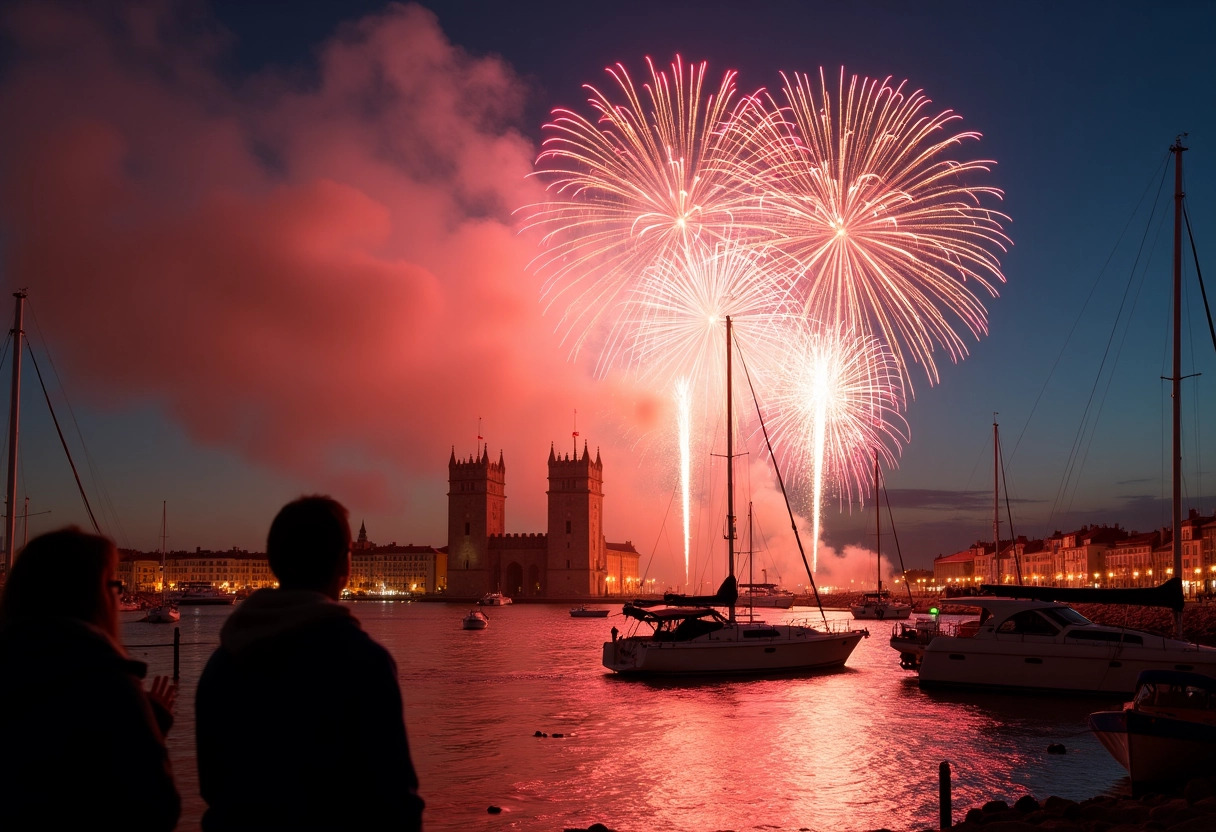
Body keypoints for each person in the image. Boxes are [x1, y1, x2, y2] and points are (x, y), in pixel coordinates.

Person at [196, 495, 424, 831]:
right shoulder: (364, 663)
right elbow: (396, 804)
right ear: (345, 565)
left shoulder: (222, 663)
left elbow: (212, 787)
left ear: (274, 561)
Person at [0, 527, 181, 832]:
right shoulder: (106, 684)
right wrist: (152, 728)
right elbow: (157, 808)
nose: (119, 594)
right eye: (114, 584)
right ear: (91, 594)